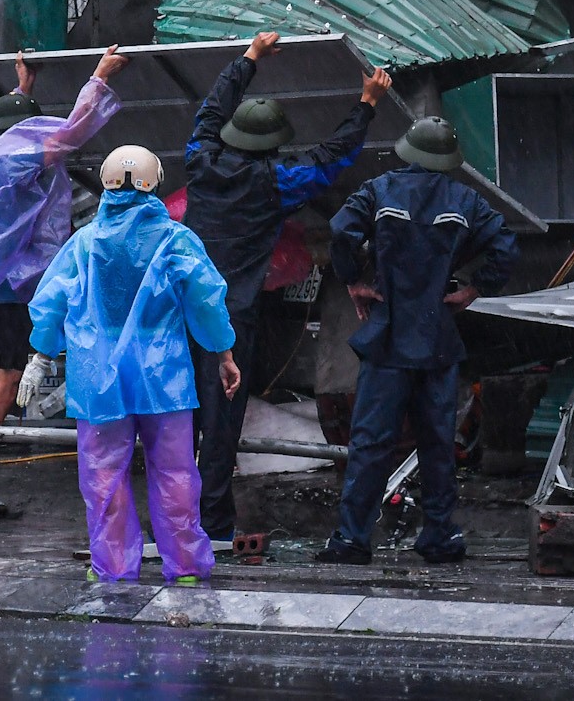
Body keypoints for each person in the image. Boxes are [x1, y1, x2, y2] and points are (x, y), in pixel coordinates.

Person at [184, 29, 391, 541]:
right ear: (273, 146)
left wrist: (249, 58)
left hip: (181, 308)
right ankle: (211, 523)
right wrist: (367, 103)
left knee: (176, 418)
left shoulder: (200, 161)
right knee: (221, 423)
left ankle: (173, 517)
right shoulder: (278, 182)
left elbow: (209, 111)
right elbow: (333, 158)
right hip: (231, 318)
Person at [0, 45, 126, 519]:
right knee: (3, 381)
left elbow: (15, 126)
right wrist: (99, 76)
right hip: (8, 288)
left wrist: (22, 88)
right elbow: (66, 137)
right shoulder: (17, 159)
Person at [23, 145, 241, 584]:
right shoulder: (176, 239)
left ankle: (113, 566)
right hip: (164, 378)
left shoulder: (84, 243)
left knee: (103, 476)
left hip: (97, 380)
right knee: (177, 472)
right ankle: (185, 565)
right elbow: (207, 299)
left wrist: (40, 356)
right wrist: (224, 353)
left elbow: (50, 303)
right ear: (155, 181)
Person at [318, 115, 517, 566]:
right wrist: (473, 287)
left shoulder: (379, 190)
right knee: (437, 443)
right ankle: (439, 536)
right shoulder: (465, 200)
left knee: (370, 442)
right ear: (447, 158)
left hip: (388, 336)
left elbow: (339, 231)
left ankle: (352, 539)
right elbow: (505, 245)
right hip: (437, 340)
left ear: (407, 149)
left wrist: (353, 280)